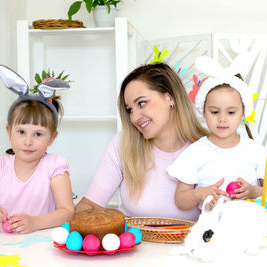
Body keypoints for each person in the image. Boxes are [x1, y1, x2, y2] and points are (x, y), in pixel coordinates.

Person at [74, 63, 209, 221]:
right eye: (130, 109)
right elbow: (88, 206)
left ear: (170, 98)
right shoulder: (124, 144)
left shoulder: (209, 149)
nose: (134, 117)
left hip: (189, 245)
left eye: (142, 103)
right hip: (135, 244)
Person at [167, 56, 267, 209]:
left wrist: (253, 191)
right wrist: (200, 193)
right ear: (204, 112)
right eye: (214, 112)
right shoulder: (195, 152)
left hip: (251, 226)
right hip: (212, 228)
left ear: (242, 114)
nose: (222, 119)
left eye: (231, 112)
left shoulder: (255, 151)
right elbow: (180, 200)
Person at [0, 65, 74, 234]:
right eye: (21, 132)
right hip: (1, 246)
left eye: (38, 134)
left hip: (42, 245)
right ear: (9, 131)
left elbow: (67, 213)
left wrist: (35, 222)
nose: (28, 141)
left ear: (52, 138)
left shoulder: (54, 167)